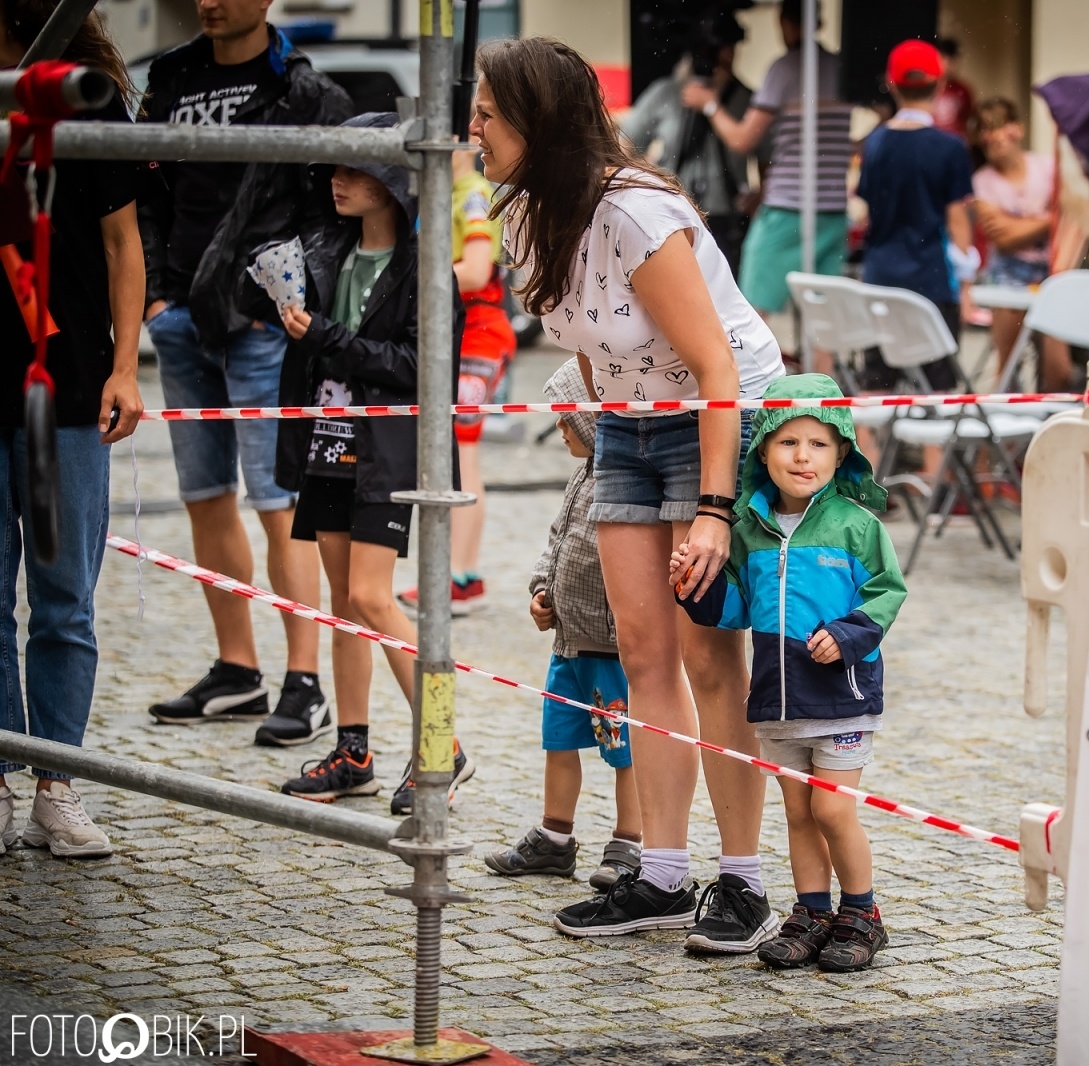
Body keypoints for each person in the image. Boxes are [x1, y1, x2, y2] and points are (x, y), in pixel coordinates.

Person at [473, 36, 785, 954]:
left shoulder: (637, 211)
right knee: (641, 649)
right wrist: (598, 415)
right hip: (626, 424)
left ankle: (743, 883)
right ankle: (658, 873)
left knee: (709, 661)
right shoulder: (529, 212)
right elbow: (581, 333)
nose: (474, 128)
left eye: (489, 113)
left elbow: (716, 363)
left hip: (709, 414)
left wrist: (717, 509)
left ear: (541, 119)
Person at [139, 0, 351, 744]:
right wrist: (158, 295)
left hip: (263, 324)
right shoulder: (170, 77)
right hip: (180, 318)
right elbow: (146, 194)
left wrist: (286, 301)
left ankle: (304, 680)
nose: (209, 0)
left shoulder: (303, 91)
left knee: (278, 502)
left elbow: (334, 212)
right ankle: (238, 670)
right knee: (204, 495)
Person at [261, 114, 472, 809]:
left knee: (374, 598)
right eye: (334, 169)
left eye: (354, 170)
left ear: (392, 185)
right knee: (345, 606)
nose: (337, 182)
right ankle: (353, 751)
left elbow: (420, 367)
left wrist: (326, 337)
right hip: (325, 444)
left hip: (386, 452)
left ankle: (444, 742)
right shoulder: (325, 252)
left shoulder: (424, 268)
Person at [672, 374, 906, 972]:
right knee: (798, 812)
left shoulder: (857, 526)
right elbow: (735, 608)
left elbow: (887, 591)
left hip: (842, 698)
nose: (803, 457)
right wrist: (693, 588)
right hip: (777, 701)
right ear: (763, 451)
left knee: (832, 810)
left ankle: (861, 913)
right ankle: (812, 913)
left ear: (842, 453)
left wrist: (851, 637)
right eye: (788, 443)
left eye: (820, 444)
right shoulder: (749, 532)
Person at [0, 0, 147, 857]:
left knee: (64, 603)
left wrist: (126, 367)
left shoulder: (86, 101)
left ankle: (57, 783)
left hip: (71, 379)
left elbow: (124, 245)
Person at [485, 359, 642, 889]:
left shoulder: (622, 483)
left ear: (593, 424)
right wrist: (540, 590)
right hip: (568, 646)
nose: (558, 427)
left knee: (625, 749)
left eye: (566, 419)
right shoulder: (579, 478)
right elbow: (557, 541)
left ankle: (629, 843)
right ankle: (555, 838)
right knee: (559, 741)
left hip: (609, 650)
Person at [395, 146, 516, 617]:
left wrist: (409, 281)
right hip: (461, 331)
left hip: (479, 332)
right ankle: (460, 575)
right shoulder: (446, 191)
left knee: (460, 451)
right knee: (456, 449)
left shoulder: (472, 193)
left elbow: (477, 270)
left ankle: (460, 577)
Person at [682, 0, 853, 316]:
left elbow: (742, 140)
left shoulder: (784, 68)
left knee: (752, 310)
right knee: (825, 316)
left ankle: (752, 367)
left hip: (787, 208)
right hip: (832, 209)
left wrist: (709, 104)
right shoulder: (841, 67)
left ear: (787, 23)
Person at [855, 40, 975, 389]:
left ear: (891, 85)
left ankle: (870, 447)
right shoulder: (950, 147)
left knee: (874, 386)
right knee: (935, 389)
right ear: (939, 85)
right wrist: (967, 285)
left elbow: (868, 213)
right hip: (932, 280)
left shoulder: (874, 143)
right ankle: (932, 448)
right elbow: (957, 220)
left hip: (880, 277)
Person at [620, 12, 755, 276]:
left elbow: (763, 153)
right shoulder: (666, 93)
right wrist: (651, 184)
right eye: (713, 49)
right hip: (673, 213)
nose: (723, 56)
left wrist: (711, 105)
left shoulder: (746, 99)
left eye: (726, 48)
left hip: (727, 218)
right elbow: (623, 147)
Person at [970, 97, 1070, 391]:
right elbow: (1003, 238)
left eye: (1002, 126)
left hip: (1051, 273)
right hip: (1007, 276)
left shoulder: (1048, 167)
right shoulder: (981, 180)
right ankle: (1010, 435)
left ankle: (1049, 429)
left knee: (1058, 371)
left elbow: (1071, 219)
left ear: (1019, 128)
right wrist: (1049, 220)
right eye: (986, 129)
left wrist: (1017, 225)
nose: (996, 135)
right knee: (1009, 368)